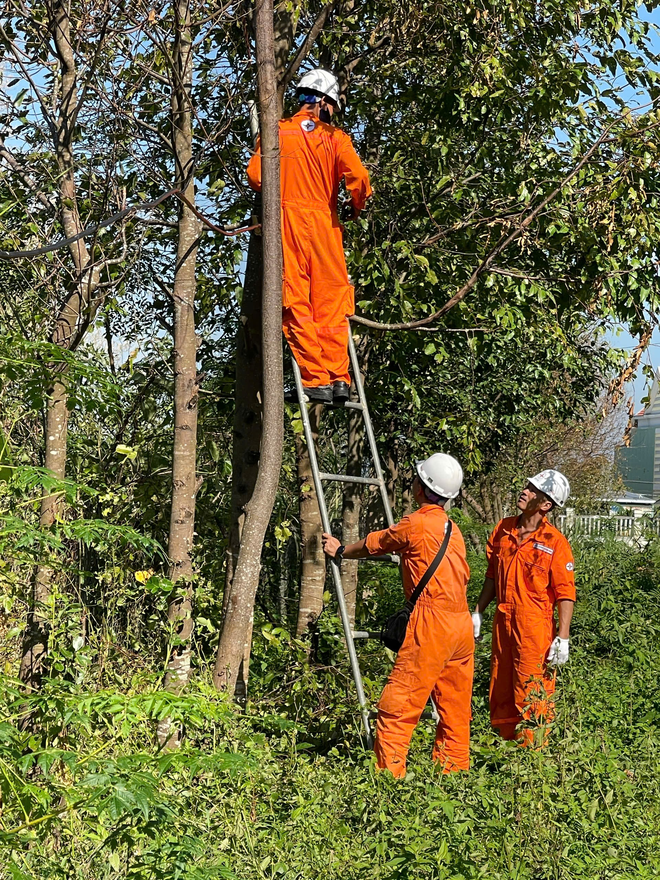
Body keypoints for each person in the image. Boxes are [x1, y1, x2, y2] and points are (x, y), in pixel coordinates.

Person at [322, 453, 474, 776]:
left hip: (432, 622)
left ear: (422, 488)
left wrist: (339, 550)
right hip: (461, 625)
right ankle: (455, 777)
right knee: (455, 711)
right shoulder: (454, 530)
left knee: (398, 707)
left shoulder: (416, 523)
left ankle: (389, 786)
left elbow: (375, 544)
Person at [247, 69, 372, 405]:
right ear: (327, 104)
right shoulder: (336, 138)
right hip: (325, 228)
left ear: (302, 98)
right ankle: (339, 379)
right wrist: (354, 206)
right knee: (331, 304)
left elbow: (257, 177)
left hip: (287, 224)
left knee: (297, 302)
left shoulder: (277, 132)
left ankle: (316, 379)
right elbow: (359, 178)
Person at [472, 469, 575, 747]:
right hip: (503, 620)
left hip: (535, 628)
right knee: (502, 683)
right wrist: (478, 610)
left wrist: (562, 638)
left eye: (533, 490)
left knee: (531, 688)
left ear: (545, 505)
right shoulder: (503, 529)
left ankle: (532, 752)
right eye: (527, 486)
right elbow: (492, 575)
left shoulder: (555, 543)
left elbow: (565, 593)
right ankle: (504, 747)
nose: (525, 491)